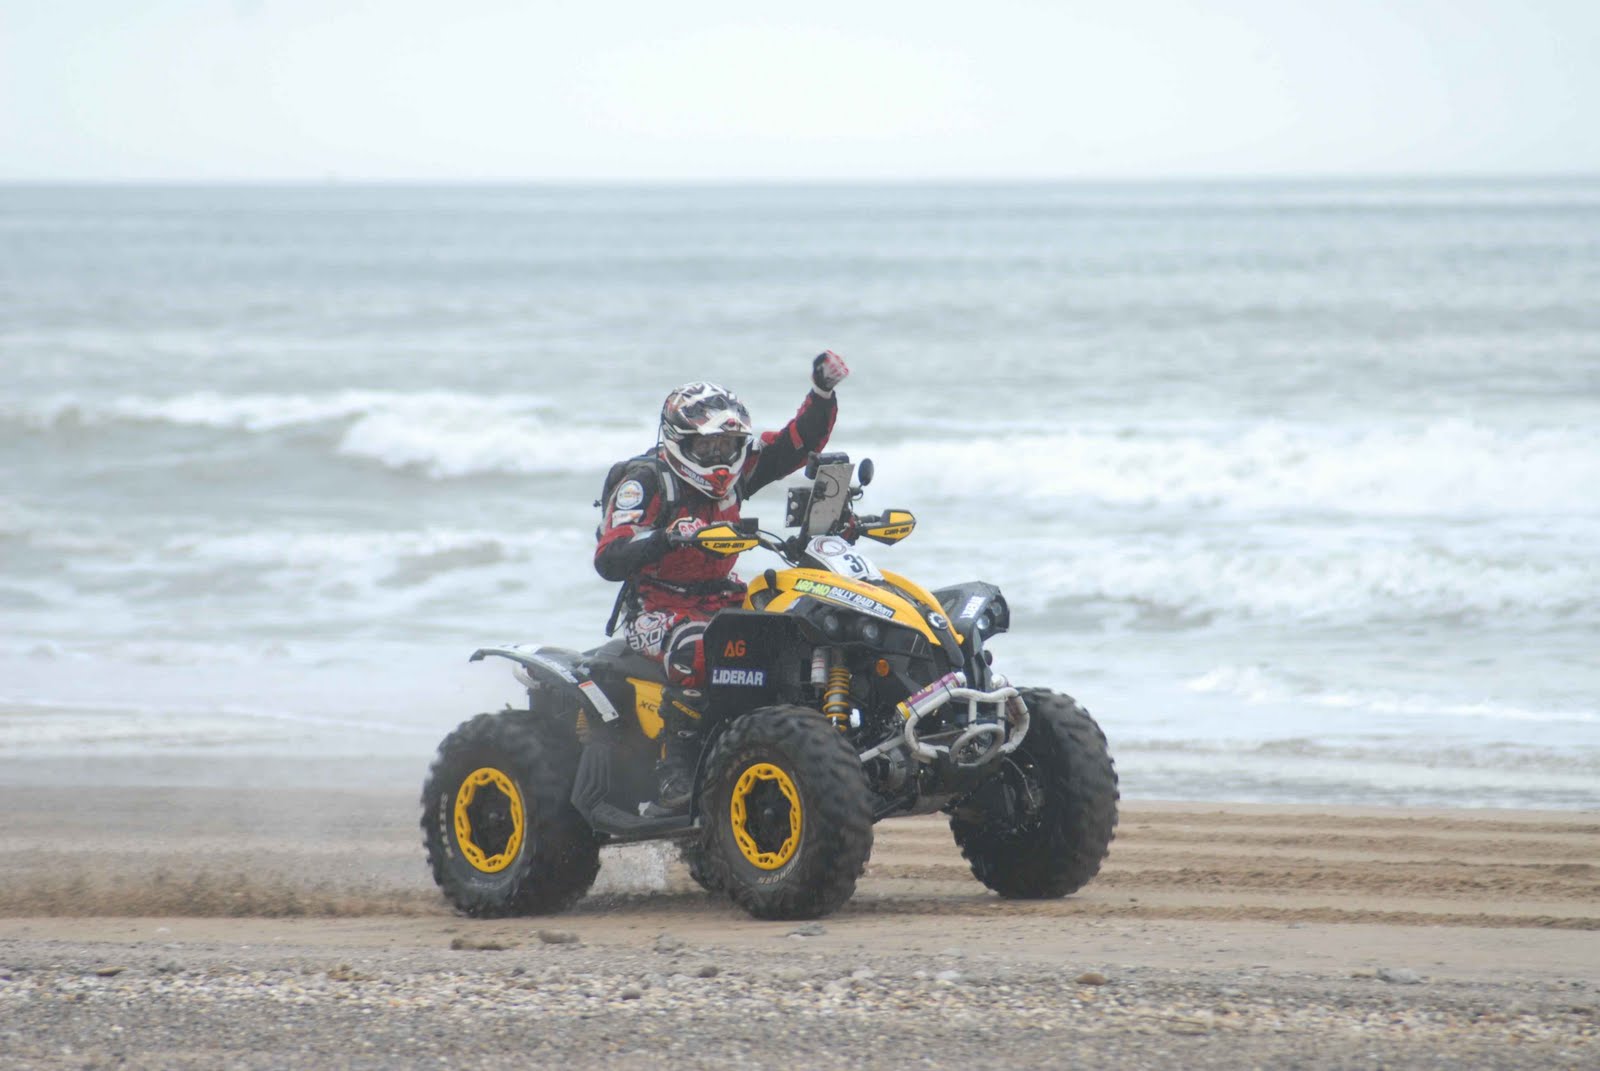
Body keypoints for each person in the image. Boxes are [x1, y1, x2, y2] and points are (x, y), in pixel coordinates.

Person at [594, 351, 850, 813]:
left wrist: (822, 392)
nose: (720, 458)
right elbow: (610, 556)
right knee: (698, 650)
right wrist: (667, 537)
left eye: (728, 446)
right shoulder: (645, 481)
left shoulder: (739, 471)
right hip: (656, 608)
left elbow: (796, 443)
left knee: (797, 629)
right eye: (708, 448)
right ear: (679, 441)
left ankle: (802, 746)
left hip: (723, 596)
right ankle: (675, 769)